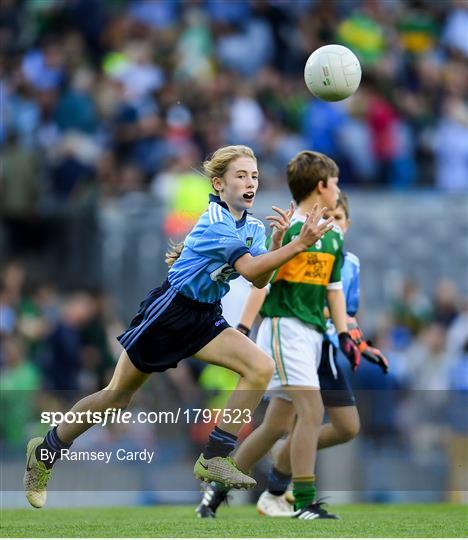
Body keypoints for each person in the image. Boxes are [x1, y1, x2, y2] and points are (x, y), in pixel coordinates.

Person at [23, 145, 333, 509]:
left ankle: (216, 456)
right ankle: (45, 451)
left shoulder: (252, 227)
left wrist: (278, 244)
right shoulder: (216, 221)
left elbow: (260, 281)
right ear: (219, 184)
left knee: (260, 367)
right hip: (169, 314)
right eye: (241, 175)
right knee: (116, 397)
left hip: (204, 316)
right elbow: (249, 269)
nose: (251, 182)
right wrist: (298, 244)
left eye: (254, 176)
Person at [197, 190, 389, 520]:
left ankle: (276, 464)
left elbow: (346, 309)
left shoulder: (347, 260)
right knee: (295, 419)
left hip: (324, 347)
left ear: (348, 222)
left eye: (339, 219)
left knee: (339, 426)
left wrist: (357, 341)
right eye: (329, 218)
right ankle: (290, 496)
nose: (334, 225)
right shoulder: (303, 247)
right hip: (296, 341)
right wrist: (244, 326)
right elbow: (264, 285)